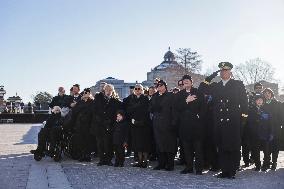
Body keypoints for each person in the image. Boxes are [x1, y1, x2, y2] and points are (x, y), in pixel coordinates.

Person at [199, 62, 248, 179]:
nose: (223, 72)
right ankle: (224, 170)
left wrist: (243, 119)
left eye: (226, 70)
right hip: (219, 120)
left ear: (230, 72)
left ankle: (232, 170)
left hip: (233, 120)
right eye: (221, 71)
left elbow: (244, 102)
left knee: (233, 146)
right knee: (221, 146)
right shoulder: (216, 85)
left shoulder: (238, 84)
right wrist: (210, 76)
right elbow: (201, 88)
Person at [174, 75, 206, 175]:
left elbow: (203, 107)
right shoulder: (179, 95)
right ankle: (189, 167)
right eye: (184, 81)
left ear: (191, 82)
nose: (186, 82)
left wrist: (199, 117)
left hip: (197, 125)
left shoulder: (198, 92)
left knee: (198, 148)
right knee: (187, 148)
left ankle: (199, 168)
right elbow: (177, 108)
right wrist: (186, 101)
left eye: (187, 80)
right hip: (184, 126)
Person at [91, 84, 122, 166]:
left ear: (113, 91)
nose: (108, 92)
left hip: (109, 125)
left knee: (108, 144)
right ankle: (101, 160)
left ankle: (108, 160)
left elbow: (117, 113)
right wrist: (100, 120)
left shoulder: (115, 101)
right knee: (100, 144)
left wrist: (110, 121)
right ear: (104, 90)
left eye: (110, 90)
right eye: (107, 90)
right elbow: (94, 110)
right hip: (99, 125)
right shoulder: (98, 98)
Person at [150, 80, 177, 171]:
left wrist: (174, 122)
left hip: (168, 123)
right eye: (158, 86)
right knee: (159, 144)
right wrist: (153, 108)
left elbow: (174, 110)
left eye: (161, 85)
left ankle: (170, 165)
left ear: (165, 86)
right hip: (157, 123)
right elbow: (150, 108)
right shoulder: (154, 96)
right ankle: (161, 163)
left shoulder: (171, 96)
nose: (159, 87)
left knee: (169, 144)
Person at [125, 84, 152, 168]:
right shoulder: (131, 99)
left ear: (142, 90)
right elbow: (128, 110)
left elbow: (147, 111)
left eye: (139, 88)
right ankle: (139, 161)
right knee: (137, 144)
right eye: (136, 89)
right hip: (134, 124)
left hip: (144, 124)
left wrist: (140, 121)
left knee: (144, 144)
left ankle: (145, 161)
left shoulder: (145, 98)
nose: (137, 90)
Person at [248, 94, 272, 171]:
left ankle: (265, 165)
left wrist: (270, 132)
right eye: (258, 100)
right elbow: (249, 122)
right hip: (255, 134)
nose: (259, 101)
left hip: (265, 133)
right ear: (255, 101)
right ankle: (257, 165)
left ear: (263, 101)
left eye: (261, 100)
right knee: (256, 150)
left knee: (266, 151)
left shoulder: (267, 109)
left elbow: (270, 122)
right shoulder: (251, 110)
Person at [72, 88, 94, 162]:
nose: (85, 94)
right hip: (80, 124)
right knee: (80, 140)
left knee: (88, 140)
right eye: (84, 93)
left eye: (87, 93)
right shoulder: (79, 102)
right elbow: (74, 111)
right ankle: (82, 155)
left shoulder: (92, 102)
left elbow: (92, 112)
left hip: (88, 124)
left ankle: (87, 155)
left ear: (89, 93)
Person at [262, 88, 282, 170]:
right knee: (266, 147)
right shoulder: (262, 104)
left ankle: (274, 163)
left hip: (276, 128)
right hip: (265, 129)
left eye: (268, 93)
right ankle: (266, 162)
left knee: (275, 146)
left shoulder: (277, 103)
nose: (267, 95)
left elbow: (281, 116)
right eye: (265, 93)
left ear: (271, 94)